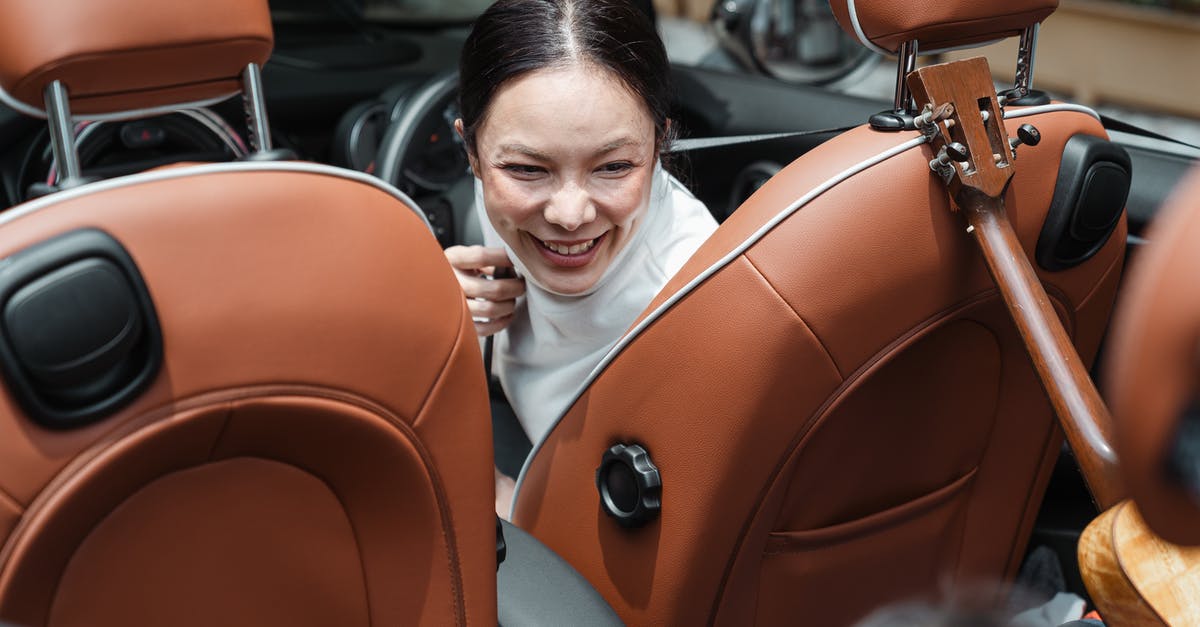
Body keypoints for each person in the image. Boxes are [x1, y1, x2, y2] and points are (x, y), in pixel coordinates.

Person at [445, 0, 717, 517]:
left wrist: (509, 504)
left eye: (613, 166)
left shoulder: (696, 300)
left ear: (659, 146)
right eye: (528, 170)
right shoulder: (497, 196)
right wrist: (432, 310)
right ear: (472, 156)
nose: (570, 215)